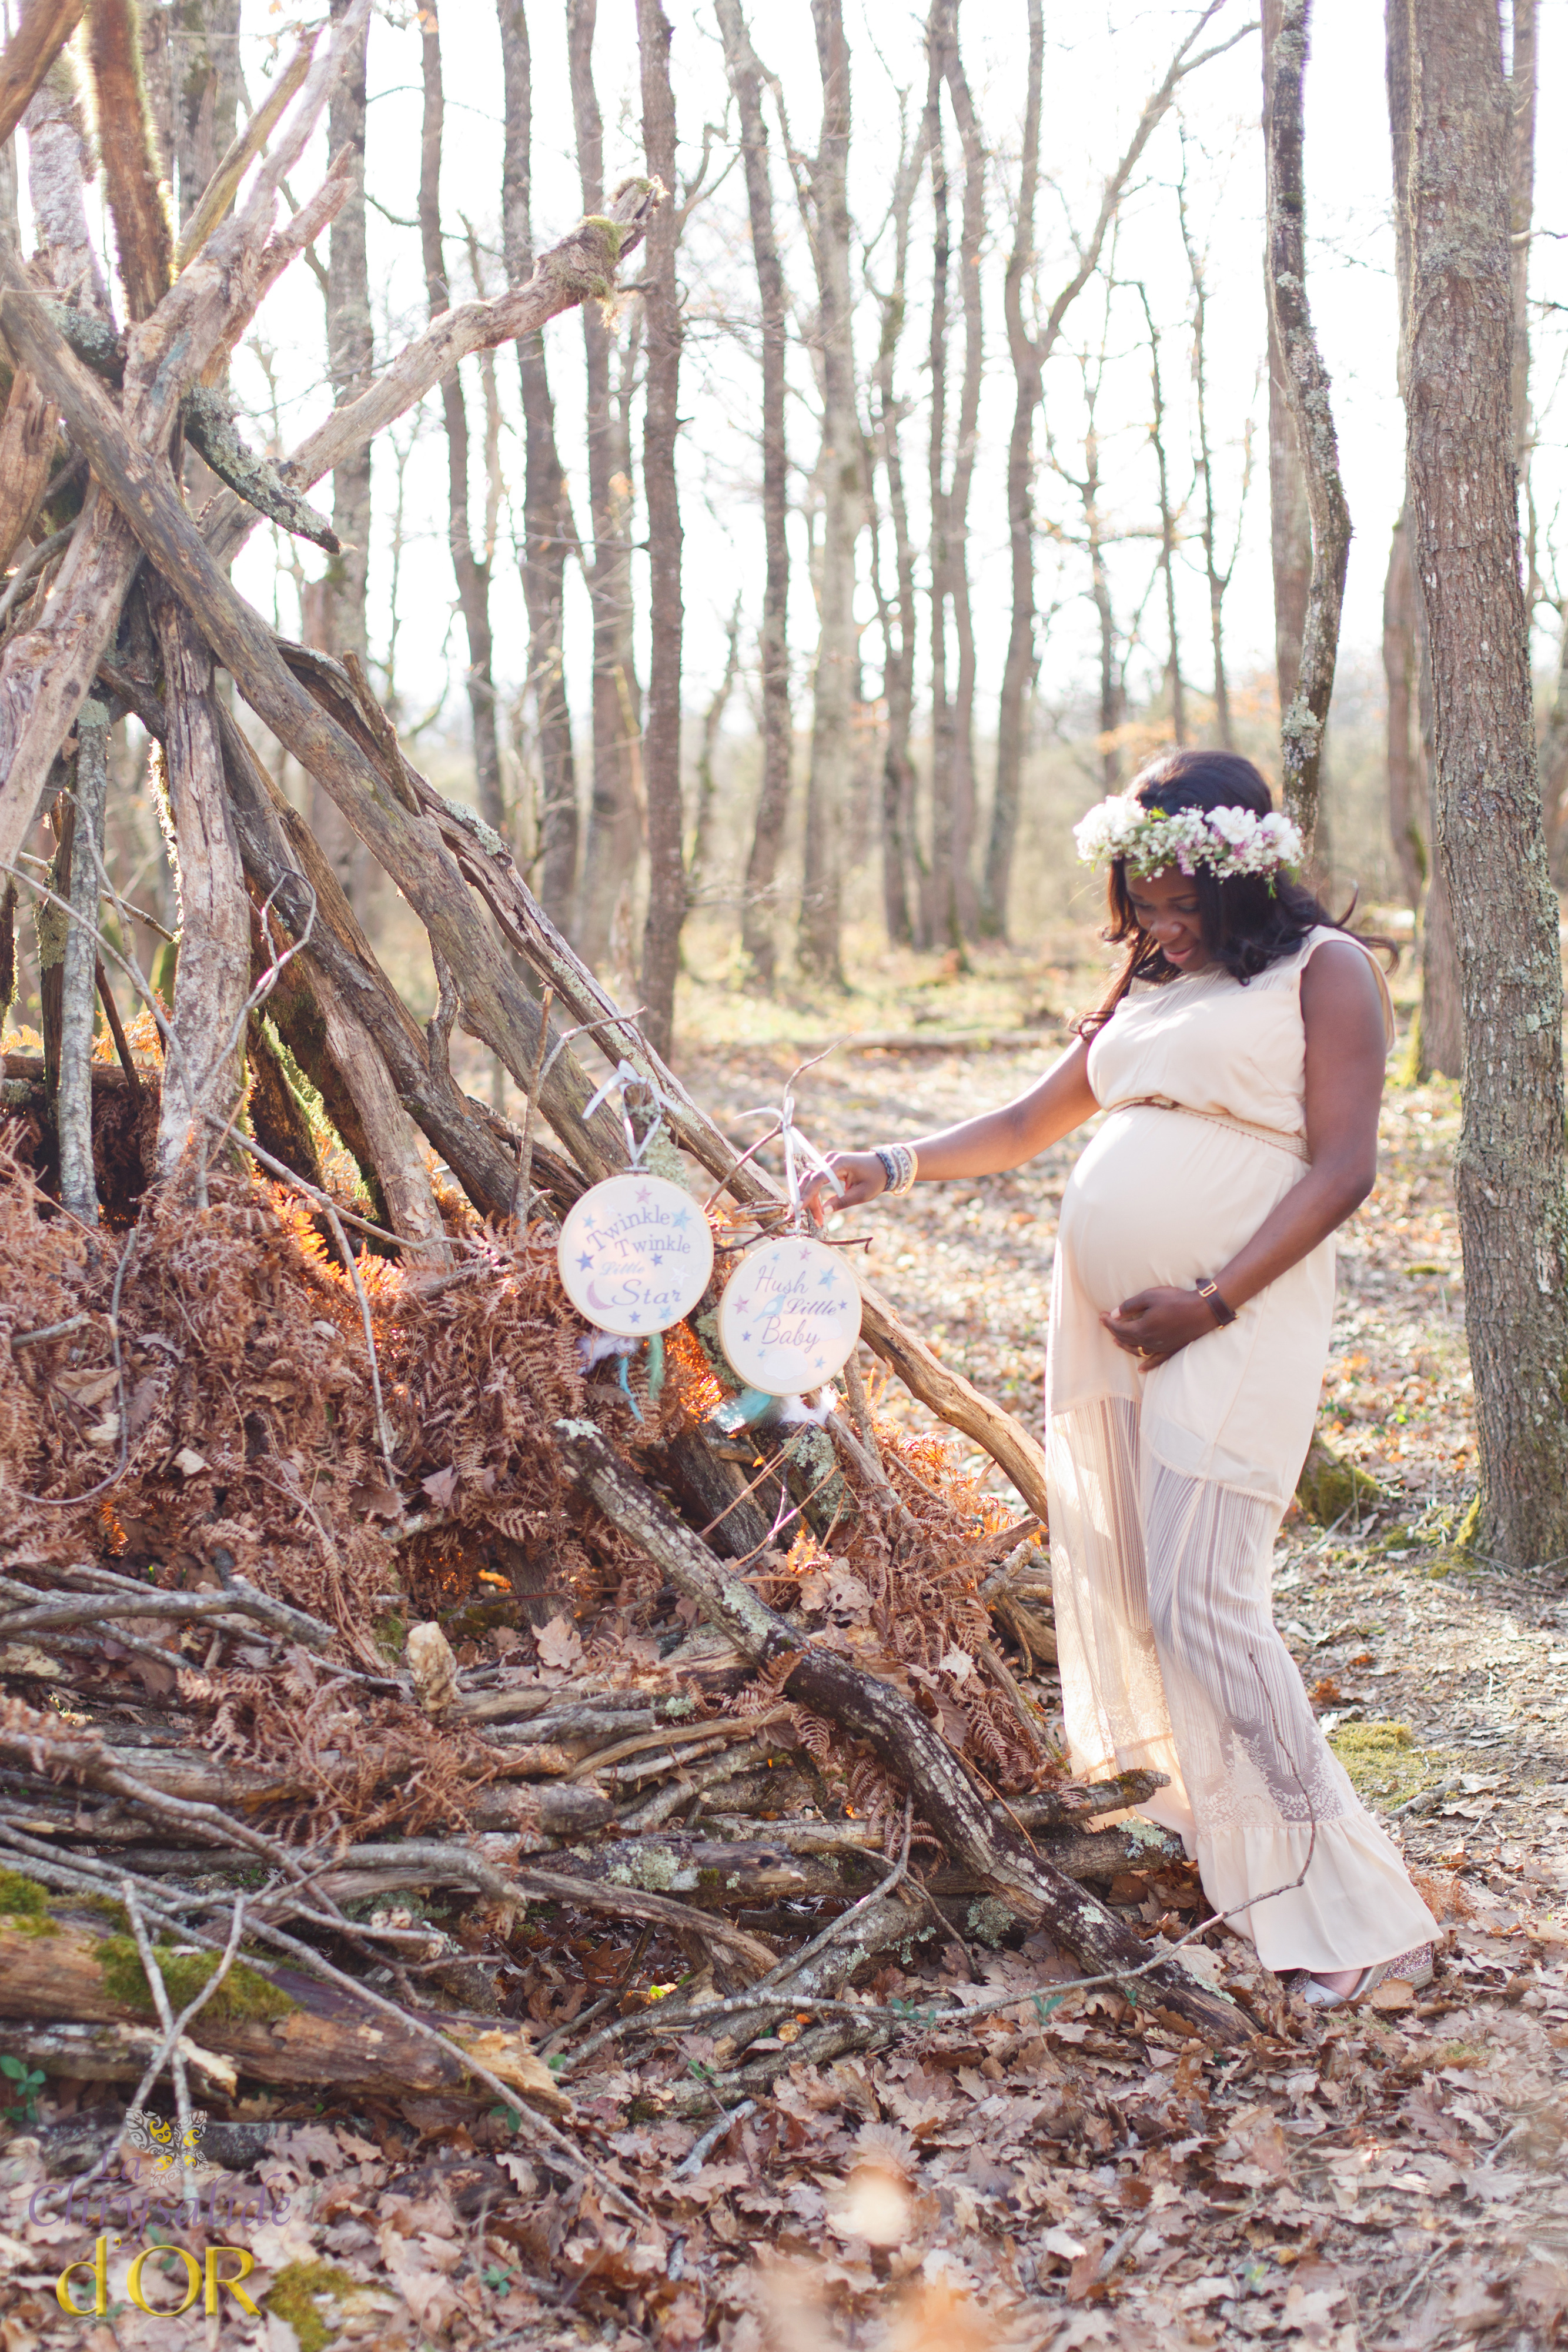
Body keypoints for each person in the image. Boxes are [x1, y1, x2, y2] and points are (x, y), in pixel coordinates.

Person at [816, 749, 1436, 2007]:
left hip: (1234, 1310)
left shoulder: (1329, 973)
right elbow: (1023, 1123)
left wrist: (1210, 1298)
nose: (1154, 919)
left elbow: (1342, 1167)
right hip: (1110, 1320)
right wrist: (879, 1164)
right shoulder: (1151, 978)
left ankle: (1363, 1911)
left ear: (1243, 875)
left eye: (1176, 898)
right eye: (1139, 897)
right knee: (1141, 1586)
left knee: (1205, 1593)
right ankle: (1234, 1848)